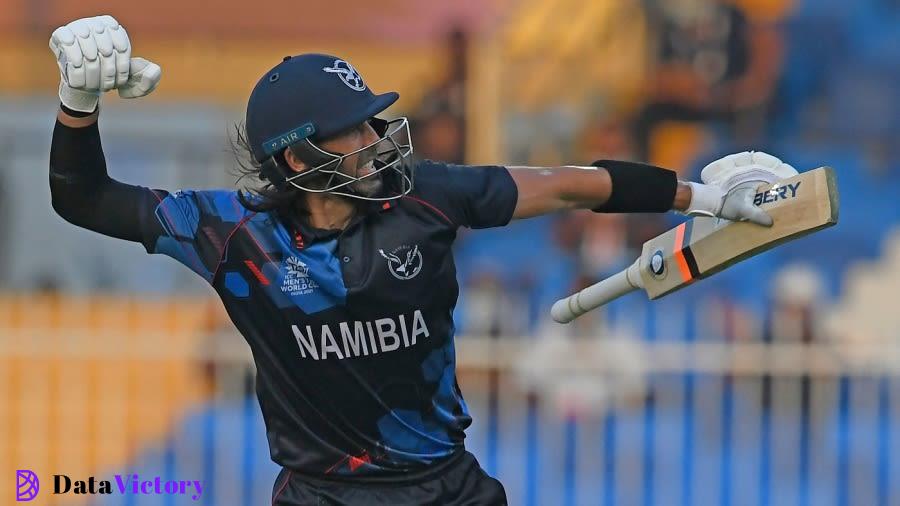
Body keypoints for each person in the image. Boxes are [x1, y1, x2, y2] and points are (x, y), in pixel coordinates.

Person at [47, 15, 797, 506]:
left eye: (372, 118)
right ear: (296, 155)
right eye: (351, 128)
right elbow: (83, 197)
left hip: (448, 487)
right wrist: (78, 105)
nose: (376, 135)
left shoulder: (428, 197)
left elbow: (573, 185)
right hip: (321, 496)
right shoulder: (231, 234)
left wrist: (698, 193)